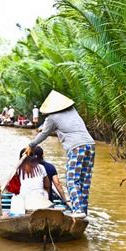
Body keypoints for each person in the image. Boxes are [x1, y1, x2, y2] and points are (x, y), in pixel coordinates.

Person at [25, 90, 95, 218]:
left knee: (71, 180)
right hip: (90, 145)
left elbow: (44, 134)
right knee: (84, 181)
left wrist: (31, 145)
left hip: (76, 148)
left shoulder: (52, 118)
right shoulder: (73, 111)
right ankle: (83, 212)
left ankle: (78, 211)